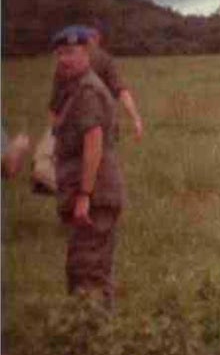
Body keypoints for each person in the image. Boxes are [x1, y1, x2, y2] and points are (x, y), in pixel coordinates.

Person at [48, 26, 126, 302]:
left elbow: (93, 143)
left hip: (95, 196)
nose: (63, 59)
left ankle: (94, 338)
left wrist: (84, 195)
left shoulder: (88, 91)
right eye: (59, 53)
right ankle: (95, 336)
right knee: (87, 270)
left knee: (88, 273)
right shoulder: (74, 89)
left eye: (70, 52)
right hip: (89, 194)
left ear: (87, 54)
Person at [38, 23, 143, 195]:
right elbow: (121, 90)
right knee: (100, 166)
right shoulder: (104, 59)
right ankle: (89, 198)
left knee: (72, 170)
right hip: (98, 124)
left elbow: (55, 105)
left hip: (70, 129)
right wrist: (135, 117)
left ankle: (79, 198)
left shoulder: (62, 63)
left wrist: (52, 135)